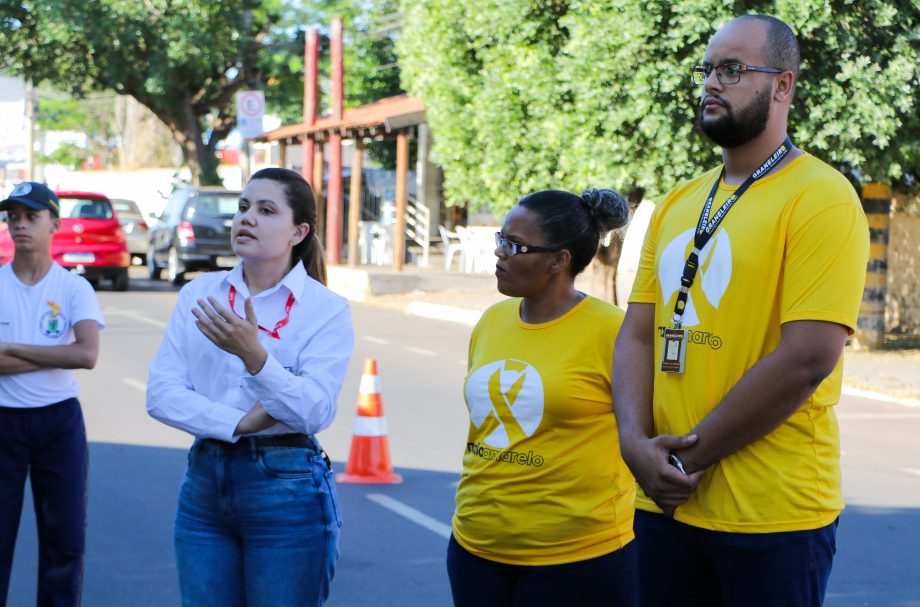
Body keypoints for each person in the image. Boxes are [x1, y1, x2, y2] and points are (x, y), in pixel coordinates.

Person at [612, 14, 870, 607]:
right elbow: (638, 335)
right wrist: (633, 443)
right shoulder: (681, 199)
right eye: (707, 69)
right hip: (663, 507)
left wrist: (685, 459)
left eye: (733, 69)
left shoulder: (821, 197)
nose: (711, 83)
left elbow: (808, 358)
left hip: (771, 519)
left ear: (783, 86)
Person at [147, 168, 354, 607]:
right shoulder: (200, 293)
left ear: (299, 231)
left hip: (287, 486)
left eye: (265, 210)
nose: (247, 219)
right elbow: (162, 394)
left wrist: (255, 356)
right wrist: (239, 422)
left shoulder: (326, 309)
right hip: (204, 479)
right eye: (243, 208)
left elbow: (314, 412)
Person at [448, 188, 637, 606]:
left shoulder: (613, 331)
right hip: (475, 548)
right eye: (500, 239)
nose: (499, 253)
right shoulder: (492, 321)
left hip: (579, 560)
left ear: (558, 260)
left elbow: (648, 428)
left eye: (514, 246)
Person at [0, 182, 104, 606]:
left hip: (58, 422)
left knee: (64, 540)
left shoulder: (73, 288)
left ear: (55, 224)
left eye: (31, 216)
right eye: (13, 217)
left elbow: (87, 354)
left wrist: (10, 348)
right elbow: (71, 353)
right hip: (3, 419)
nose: (20, 225)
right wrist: (55, 355)